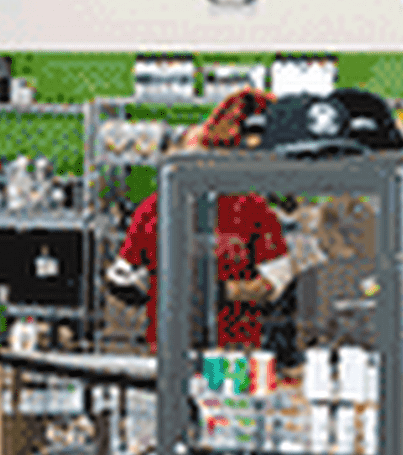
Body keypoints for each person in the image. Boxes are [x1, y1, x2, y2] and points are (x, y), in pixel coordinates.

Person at [104, 88, 293, 349]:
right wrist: (156, 291)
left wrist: (221, 291)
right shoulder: (155, 208)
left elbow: (276, 281)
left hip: (234, 352)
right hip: (169, 348)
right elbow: (122, 277)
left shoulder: (253, 209)